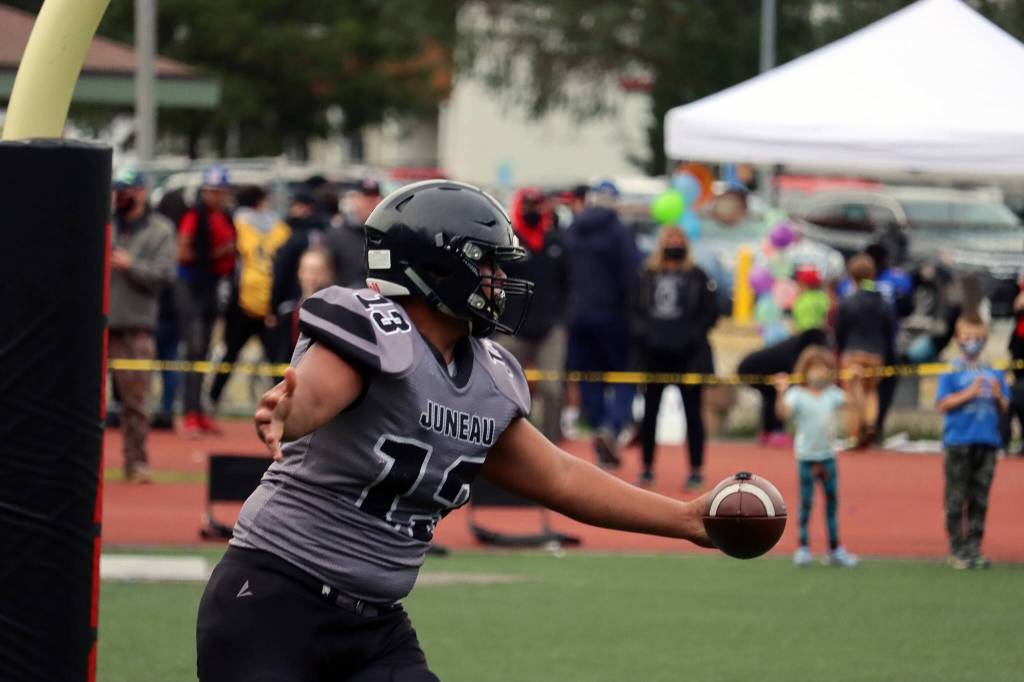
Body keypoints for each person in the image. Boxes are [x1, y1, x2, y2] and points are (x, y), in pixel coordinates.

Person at [195, 181, 712, 682]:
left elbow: (560, 476)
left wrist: (688, 519)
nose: (498, 280)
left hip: (375, 624)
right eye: (486, 263)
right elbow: (316, 391)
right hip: (273, 601)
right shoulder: (374, 325)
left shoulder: (490, 375)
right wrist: (290, 412)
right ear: (436, 267)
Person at [632, 227, 718, 489]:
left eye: (678, 240)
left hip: (689, 356)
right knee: (649, 414)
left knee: (693, 416)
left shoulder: (698, 276)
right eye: (670, 240)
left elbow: (710, 313)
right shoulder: (646, 275)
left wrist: (691, 336)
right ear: (661, 245)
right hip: (654, 355)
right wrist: (645, 335)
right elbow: (633, 311)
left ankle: (696, 470)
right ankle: (646, 470)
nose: (674, 245)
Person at [564, 180, 639, 468]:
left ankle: (597, 430)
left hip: (577, 315)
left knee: (588, 376)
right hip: (613, 315)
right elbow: (631, 276)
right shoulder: (619, 233)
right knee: (624, 375)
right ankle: (612, 426)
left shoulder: (574, 228)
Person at [107, 168, 176, 481]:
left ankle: (136, 463)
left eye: (126, 190)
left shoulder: (160, 229)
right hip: (98, 326)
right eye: (116, 190)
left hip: (135, 326)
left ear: (141, 192)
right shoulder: (105, 223)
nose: (120, 196)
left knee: (135, 403)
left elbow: (164, 276)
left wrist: (131, 265)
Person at [208, 185, 292, 413]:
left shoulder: (236, 224)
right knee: (276, 360)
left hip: (242, 303)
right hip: (268, 304)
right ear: (260, 202)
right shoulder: (279, 228)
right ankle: (283, 404)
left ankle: (212, 399)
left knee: (231, 354)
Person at [936, 313, 1009, 569]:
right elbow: (943, 404)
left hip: (986, 442)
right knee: (956, 497)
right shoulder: (951, 371)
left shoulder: (994, 371)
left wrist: (999, 396)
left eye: (978, 338)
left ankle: (974, 547)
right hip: (959, 441)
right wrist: (970, 392)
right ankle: (957, 549)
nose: (973, 342)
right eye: (967, 337)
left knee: (980, 498)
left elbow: (1005, 407)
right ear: (958, 339)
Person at [774, 347, 858, 568]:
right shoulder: (797, 395)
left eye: (824, 368)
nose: (819, 373)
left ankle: (834, 549)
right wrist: (781, 391)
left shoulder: (832, 393)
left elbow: (853, 404)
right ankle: (803, 547)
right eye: (814, 368)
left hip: (828, 457)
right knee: (806, 503)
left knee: (831, 504)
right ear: (805, 370)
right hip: (806, 457)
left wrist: (855, 382)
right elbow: (783, 414)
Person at [497, 187, 568, 443]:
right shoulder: (508, 241)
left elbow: (568, 281)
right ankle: (509, 442)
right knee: (504, 387)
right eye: (527, 206)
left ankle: (551, 444)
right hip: (512, 325)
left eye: (537, 206)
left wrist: (562, 318)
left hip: (550, 326)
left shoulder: (556, 241)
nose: (533, 211)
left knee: (551, 389)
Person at [176, 165, 236, 437]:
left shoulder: (225, 216)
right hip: (193, 287)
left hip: (213, 286)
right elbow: (183, 252)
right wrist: (219, 253)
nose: (217, 196)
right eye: (212, 191)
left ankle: (199, 412)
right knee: (194, 349)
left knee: (205, 351)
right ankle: (189, 413)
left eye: (221, 191)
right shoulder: (194, 216)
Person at [835, 254, 896, 448]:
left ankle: (854, 434)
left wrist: (841, 348)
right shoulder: (883, 302)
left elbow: (840, 330)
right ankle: (870, 424)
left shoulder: (847, 301)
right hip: (876, 352)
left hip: (852, 351)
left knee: (852, 393)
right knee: (871, 392)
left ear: (852, 275)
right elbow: (891, 329)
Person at [271, 191, 330, 355]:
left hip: (293, 302)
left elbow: (280, 271)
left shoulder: (293, 236)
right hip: (320, 301)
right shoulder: (326, 231)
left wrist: (273, 306)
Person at [325, 178, 383, 288]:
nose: (370, 203)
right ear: (355, 200)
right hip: (345, 300)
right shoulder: (336, 234)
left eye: (374, 198)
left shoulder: (387, 235)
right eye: (365, 198)